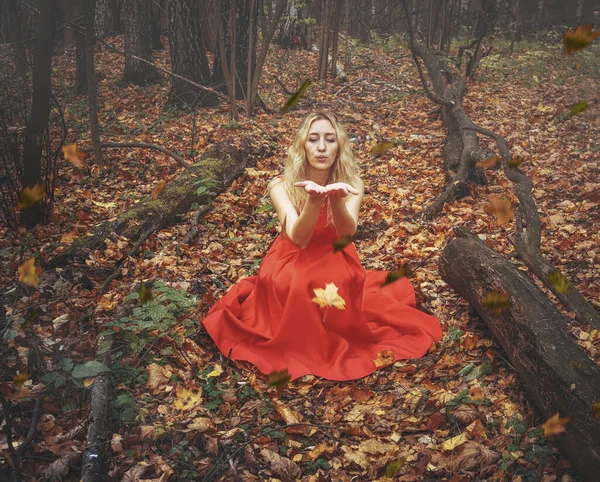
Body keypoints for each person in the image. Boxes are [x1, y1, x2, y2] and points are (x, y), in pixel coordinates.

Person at [202, 111, 442, 381]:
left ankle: (332, 335)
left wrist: (337, 198)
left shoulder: (353, 184)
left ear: (339, 146)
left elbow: (346, 235)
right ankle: (301, 342)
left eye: (329, 140)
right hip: (292, 255)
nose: (321, 147)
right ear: (302, 145)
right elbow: (298, 237)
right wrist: (314, 201)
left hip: (335, 252)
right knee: (298, 283)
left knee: (342, 280)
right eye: (313, 139)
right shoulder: (280, 185)